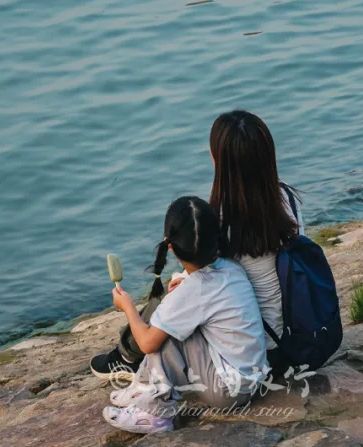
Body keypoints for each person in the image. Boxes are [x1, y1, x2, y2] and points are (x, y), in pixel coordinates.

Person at [103, 195, 269, 435]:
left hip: (228, 391)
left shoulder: (195, 289)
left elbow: (147, 343)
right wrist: (183, 284)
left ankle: (155, 414)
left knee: (163, 333)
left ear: (169, 245)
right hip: (249, 378)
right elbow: (206, 297)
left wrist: (128, 307)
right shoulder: (231, 267)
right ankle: (143, 386)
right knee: (171, 318)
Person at [209, 110, 301, 351]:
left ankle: (128, 355)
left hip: (254, 345)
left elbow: (209, 291)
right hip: (293, 333)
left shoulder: (219, 219)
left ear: (217, 160)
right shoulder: (286, 198)